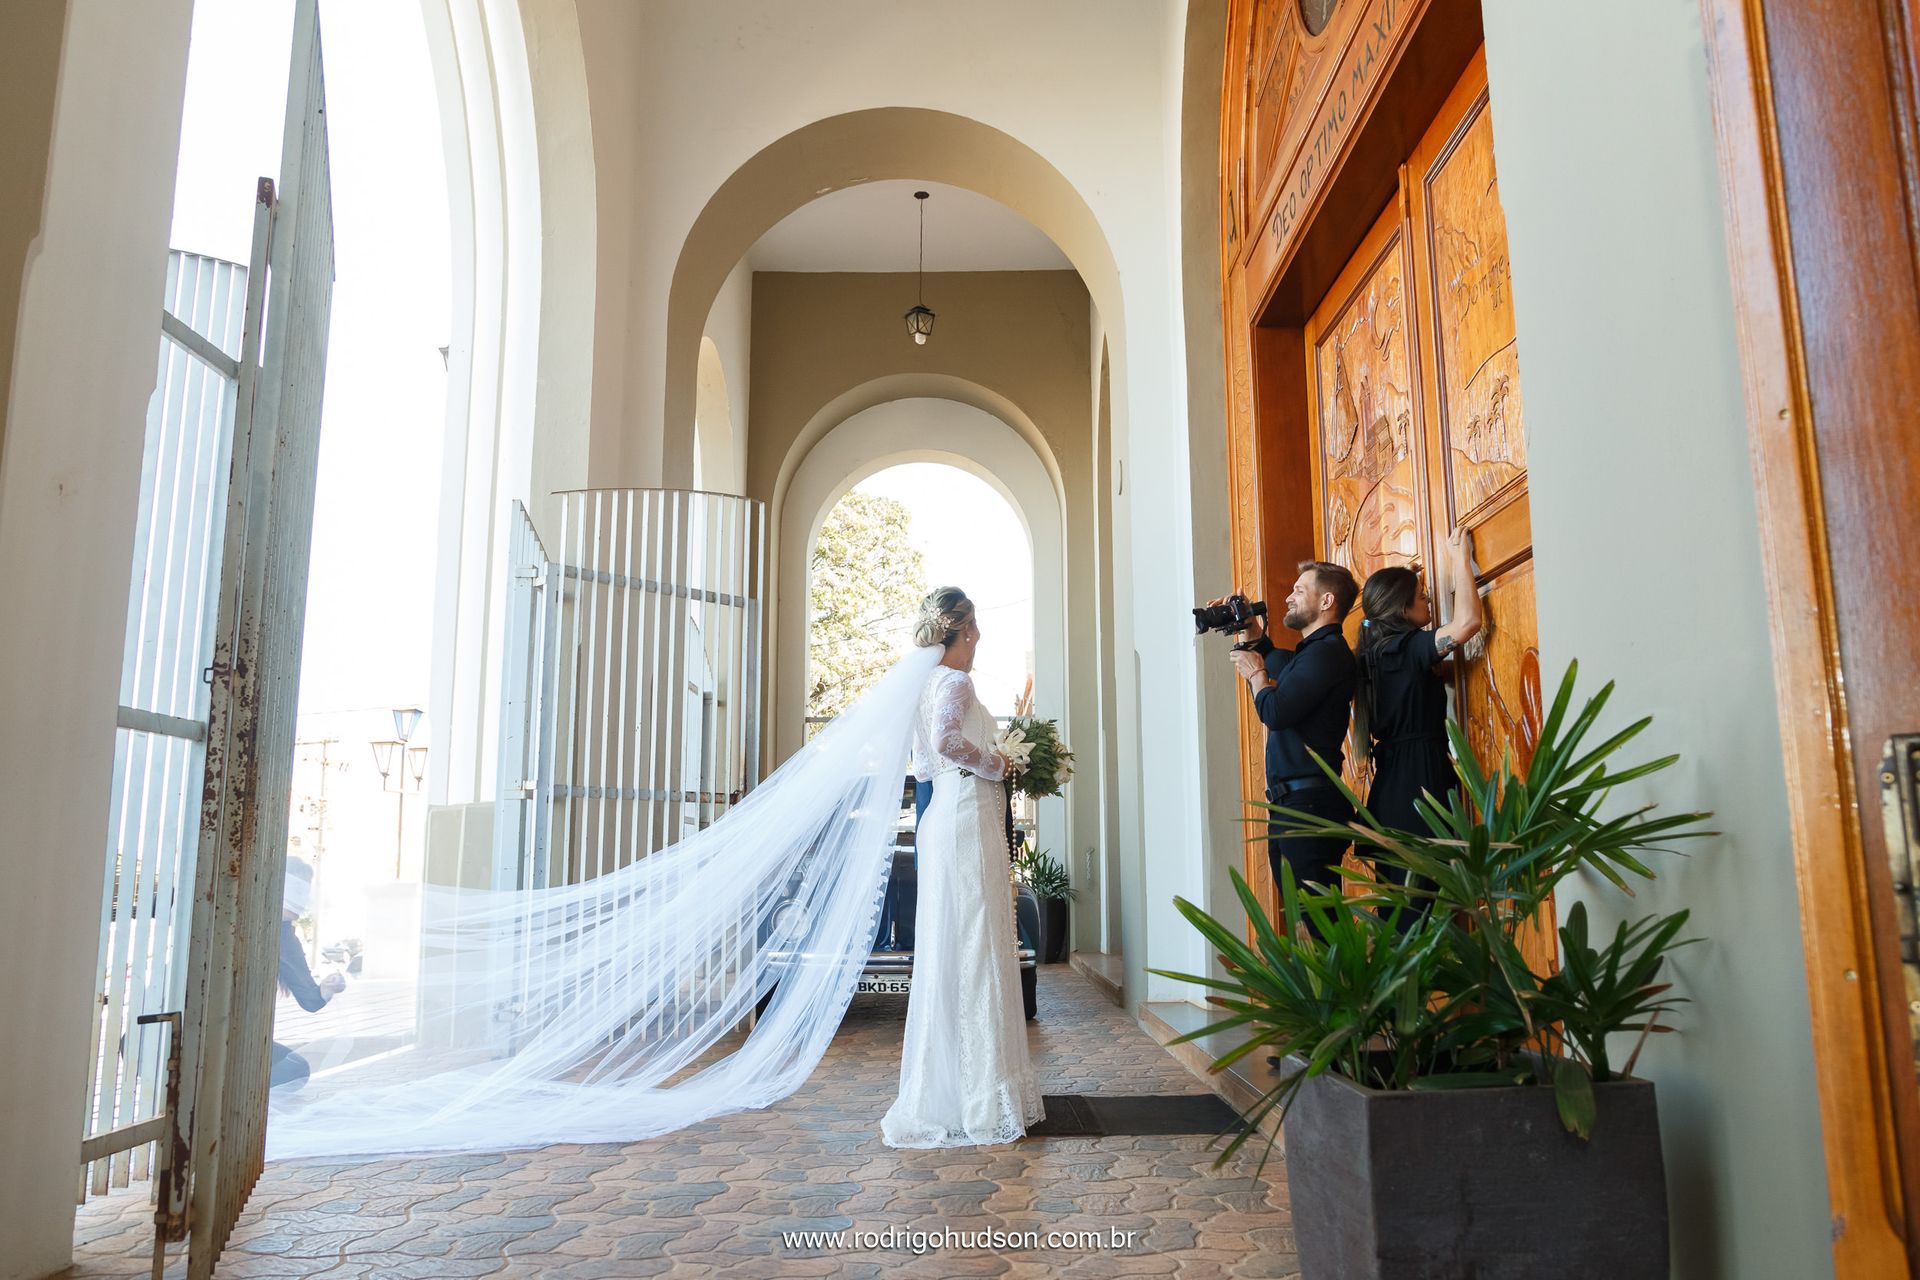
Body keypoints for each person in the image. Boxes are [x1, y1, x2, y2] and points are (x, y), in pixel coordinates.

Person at [881, 586, 1044, 1147]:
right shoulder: (955, 682)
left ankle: (948, 1086)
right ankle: (981, 1095)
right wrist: (997, 762)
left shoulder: (923, 686)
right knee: (976, 941)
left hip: (944, 816)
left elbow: (924, 767)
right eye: (975, 629)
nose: (978, 640)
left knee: (955, 941)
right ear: (966, 629)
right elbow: (950, 742)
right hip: (966, 815)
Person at [1355, 528, 1483, 926]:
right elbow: (1467, 623)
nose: (1428, 600)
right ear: (1402, 609)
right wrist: (1460, 559)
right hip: (1418, 782)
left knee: (1400, 915)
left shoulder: (1372, 654)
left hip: (1391, 785)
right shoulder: (1407, 648)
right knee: (1420, 918)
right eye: (1421, 596)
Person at [1216, 560, 1361, 908]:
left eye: (1299, 590)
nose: (1288, 598)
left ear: (1326, 601)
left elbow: (1275, 711)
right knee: (1307, 915)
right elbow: (1276, 660)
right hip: (1292, 804)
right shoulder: (1312, 653)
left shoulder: (1326, 654)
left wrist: (1256, 676)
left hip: (1308, 806)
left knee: (1320, 919)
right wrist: (1248, 624)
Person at [272, 856, 344, 1090]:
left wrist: (327, 988)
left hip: (244, 1033)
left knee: (295, 1069)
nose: (301, 899)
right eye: (296, 888)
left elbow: (311, 1000)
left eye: (305, 891)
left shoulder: (287, 940)